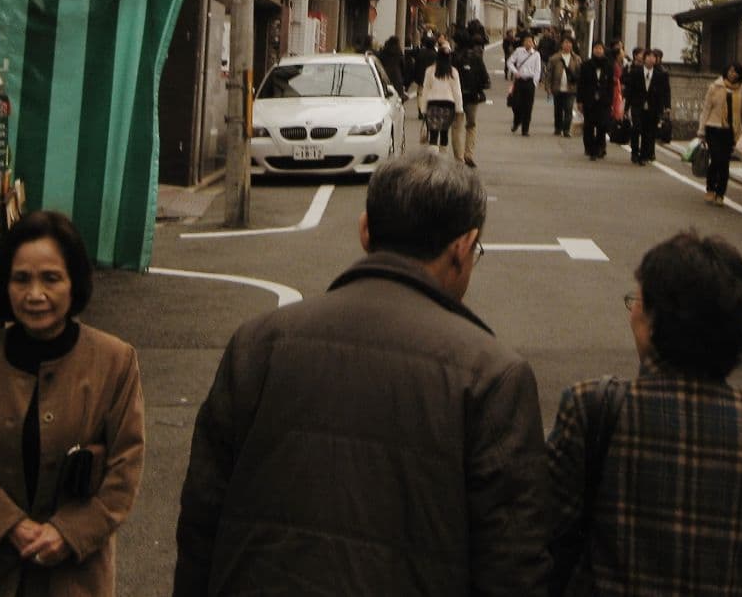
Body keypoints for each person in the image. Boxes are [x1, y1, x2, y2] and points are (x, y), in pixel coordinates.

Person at [174, 148, 548, 596]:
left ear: (365, 230)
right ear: (464, 247)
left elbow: (201, 520)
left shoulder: (259, 343)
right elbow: (512, 565)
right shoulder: (493, 377)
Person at [546, 231, 742, 597]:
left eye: (636, 301)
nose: (631, 311)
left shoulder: (592, 408)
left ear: (655, 321)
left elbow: (547, 543)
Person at [0, 211, 145, 597]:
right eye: (21, 279)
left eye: (51, 278)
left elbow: (124, 468)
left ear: (73, 283)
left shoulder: (115, 362)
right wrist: (8, 525)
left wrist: (68, 533)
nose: (35, 295)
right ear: (5, 284)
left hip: (74, 577)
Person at [697, 63, 742, 207]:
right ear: (726, 72)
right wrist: (701, 130)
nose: (733, 74)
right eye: (731, 71)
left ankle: (720, 193)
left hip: (731, 131)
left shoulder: (741, 91)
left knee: (725, 163)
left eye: (736, 72)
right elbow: (706, 109)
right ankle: (710, 189)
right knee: (716, 159)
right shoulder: (715, 87)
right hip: (714, 128)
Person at [624, 49, 670, 166]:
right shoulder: (635, 72)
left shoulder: (661, 75)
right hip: (637, 105)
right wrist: (626, 107)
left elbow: (666, 91)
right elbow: (630, 90)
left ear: (656, 59)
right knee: (637, 128)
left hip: (653, 106)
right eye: (648, 56)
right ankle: (635, 152)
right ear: (643, 59)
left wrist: (667, 106)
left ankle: (644, 155)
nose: (651, 59)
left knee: (648, 131)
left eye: (653, 57)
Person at [454, 27, 491, 166]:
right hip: (473, 97)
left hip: (457, 97)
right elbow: (485, 79)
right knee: (471, 125)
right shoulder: (476, 57)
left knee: (457, 126)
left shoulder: (454, 57)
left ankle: (458, 157)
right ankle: (468, 153)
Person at [417, 38, 463, 150]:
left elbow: (425, 90)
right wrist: (459, 109)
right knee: (444, 133)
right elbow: (457, 92)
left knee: (433, 134)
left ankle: (433, 159)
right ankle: (442, 158)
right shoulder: (453, 72)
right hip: (449, 105)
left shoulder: (430, 70)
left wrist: (423, 109)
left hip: (433, 104)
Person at [578, 41, 613, 159]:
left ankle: (600, 147)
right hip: (589, 100)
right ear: (593, 50)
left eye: (600, 48)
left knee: (602, 125)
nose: (598, 50)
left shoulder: (608, 65)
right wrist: (580, 101)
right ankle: (590, 149)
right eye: (596, 48)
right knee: (589, 125)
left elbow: (611, 85)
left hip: (604, 101)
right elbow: (581, 84)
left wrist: (611, 101)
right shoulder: (586, 65)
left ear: (604, 50)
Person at [544, 36, 581, 137]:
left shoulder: (577, 59)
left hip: (571, 89)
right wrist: (548, 87)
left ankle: (566, 130)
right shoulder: (554, 58)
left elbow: (580, 74)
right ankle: (558, 128)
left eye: (569, 43)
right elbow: (549, 74)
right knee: (558, 110)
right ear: (561, 44)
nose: (567, 45)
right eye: (565, 42)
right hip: (557, 88)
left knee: (568, 109)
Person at [507, 33, 543, 136]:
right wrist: (515, 72)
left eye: (530, 41)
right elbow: (509, 62)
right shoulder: (518, 51)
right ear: (523, 42)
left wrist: (535, 83)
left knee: (528, 106)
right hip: (519, 81)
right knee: (516, 104)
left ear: (533, 43)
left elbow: (538, 70)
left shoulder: (536, 54)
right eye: (526, 41)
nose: (528, 43)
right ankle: (517, 121)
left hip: (530, 82)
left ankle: (525, 129)